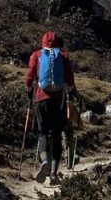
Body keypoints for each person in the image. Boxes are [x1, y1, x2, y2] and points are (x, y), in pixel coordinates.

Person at [25, 31, 76, 183]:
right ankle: (53, 174)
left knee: (42, 132)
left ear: (43, 42)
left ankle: (44, 160)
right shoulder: (63, 55)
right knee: (56, 134)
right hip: (58, 100)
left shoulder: (36, 55)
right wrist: (71, 91)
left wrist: (29, 89)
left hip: (41, 99)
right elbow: (70, 78)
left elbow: (30, 75)